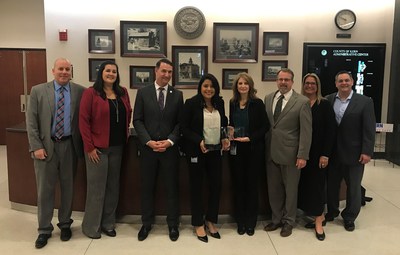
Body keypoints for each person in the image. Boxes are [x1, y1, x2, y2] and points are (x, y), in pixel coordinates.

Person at [26, 58, 85, 249]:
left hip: (69, 146)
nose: (64, 72)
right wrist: (36, 146)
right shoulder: (37, 90)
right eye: (61, 69)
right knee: (45, 190)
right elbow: (31, 121)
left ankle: (65, 224)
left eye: (67, 69)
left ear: (71, 71)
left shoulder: (80, 91)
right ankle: (44, 229)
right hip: (46, 147)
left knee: (68, 188)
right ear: (53, 71)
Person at [79, 61, 132, 239]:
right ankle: (91, 226)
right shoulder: (91, 93)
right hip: (97, 150)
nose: (111, 74)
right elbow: (83, 121)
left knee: (112, 187)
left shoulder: (122, 92)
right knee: (96, 189)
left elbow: (129, 112)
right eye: (107, 70)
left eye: (114, 71)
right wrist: (90, 147)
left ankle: (108, 223)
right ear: (101, 73)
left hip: (117, 147)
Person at [133, 58, 183, 242]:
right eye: (164, 71)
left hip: (169, 151)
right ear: (156, 71)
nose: (167, 75)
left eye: (170, 72)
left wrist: (170, 141)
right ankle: (146, 223)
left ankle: (172, 225)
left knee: (171, 188)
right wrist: (148, 141)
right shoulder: (143, 93)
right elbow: (137, 120)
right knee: (147, 188)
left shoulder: (177, 95)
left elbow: (180, 123)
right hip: (148, 150)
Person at [180, 73, 229, 243]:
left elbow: (223, 122)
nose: (209, 89)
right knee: (197, 187)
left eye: (212, 86)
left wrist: (224, 136)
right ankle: (198, 223)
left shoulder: (219, 103)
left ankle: (210, 220)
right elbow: (184, 128)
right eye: (206, 86)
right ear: (200, 87)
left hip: (215, 152)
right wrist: (198, 140)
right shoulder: (191, 103)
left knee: (216, 186)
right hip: (196, 151)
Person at [263, 68, 312, 237]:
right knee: (274, 189)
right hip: (270, 152)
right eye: (280, 79)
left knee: (291, 190)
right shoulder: (269, 98)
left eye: (287, 80)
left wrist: (302, 155)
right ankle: (276, 219)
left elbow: (306, 132)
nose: (283, 82)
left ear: (292, 82)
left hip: (291, 155)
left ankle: (289, 221)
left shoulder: (302, 101)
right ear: (276, 81)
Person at [325, 71, 376, 231]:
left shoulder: (364, 102)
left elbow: (369, 129)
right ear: (336, 83)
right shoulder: (329, 99)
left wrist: (367, 152)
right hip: (333, 153)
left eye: (347, 80)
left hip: (354, 154)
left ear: (352, 82)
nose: (344, 83)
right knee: (331, 186)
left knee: (353, 187)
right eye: (340, 81)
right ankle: (332, 211)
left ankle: (349, 216)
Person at [228, 73, 269, 236]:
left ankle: (250, 221)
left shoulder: (257, 104)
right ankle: (240, 221)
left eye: (246, 83)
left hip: (253, 149)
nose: (243, 86)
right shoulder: (233, 103)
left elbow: (265, 126)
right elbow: (231, 123)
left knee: (252, 187)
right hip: (236, 150)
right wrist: (230, 130)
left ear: (250, 86)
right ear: (236, 86)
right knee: (238, 186)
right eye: (240, 83)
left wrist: (250, 138)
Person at [297, 73, 336, 241]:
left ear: (317, 86)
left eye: (313, 83)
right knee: (304, 186)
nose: (310, 86)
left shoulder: (325, 105)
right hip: (300, 153)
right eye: (307, 83)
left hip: (318, 154)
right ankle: (311, 216)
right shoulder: (299, 103)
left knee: (318, 187)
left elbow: (331, 132)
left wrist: (325, 154)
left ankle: (319, 220)